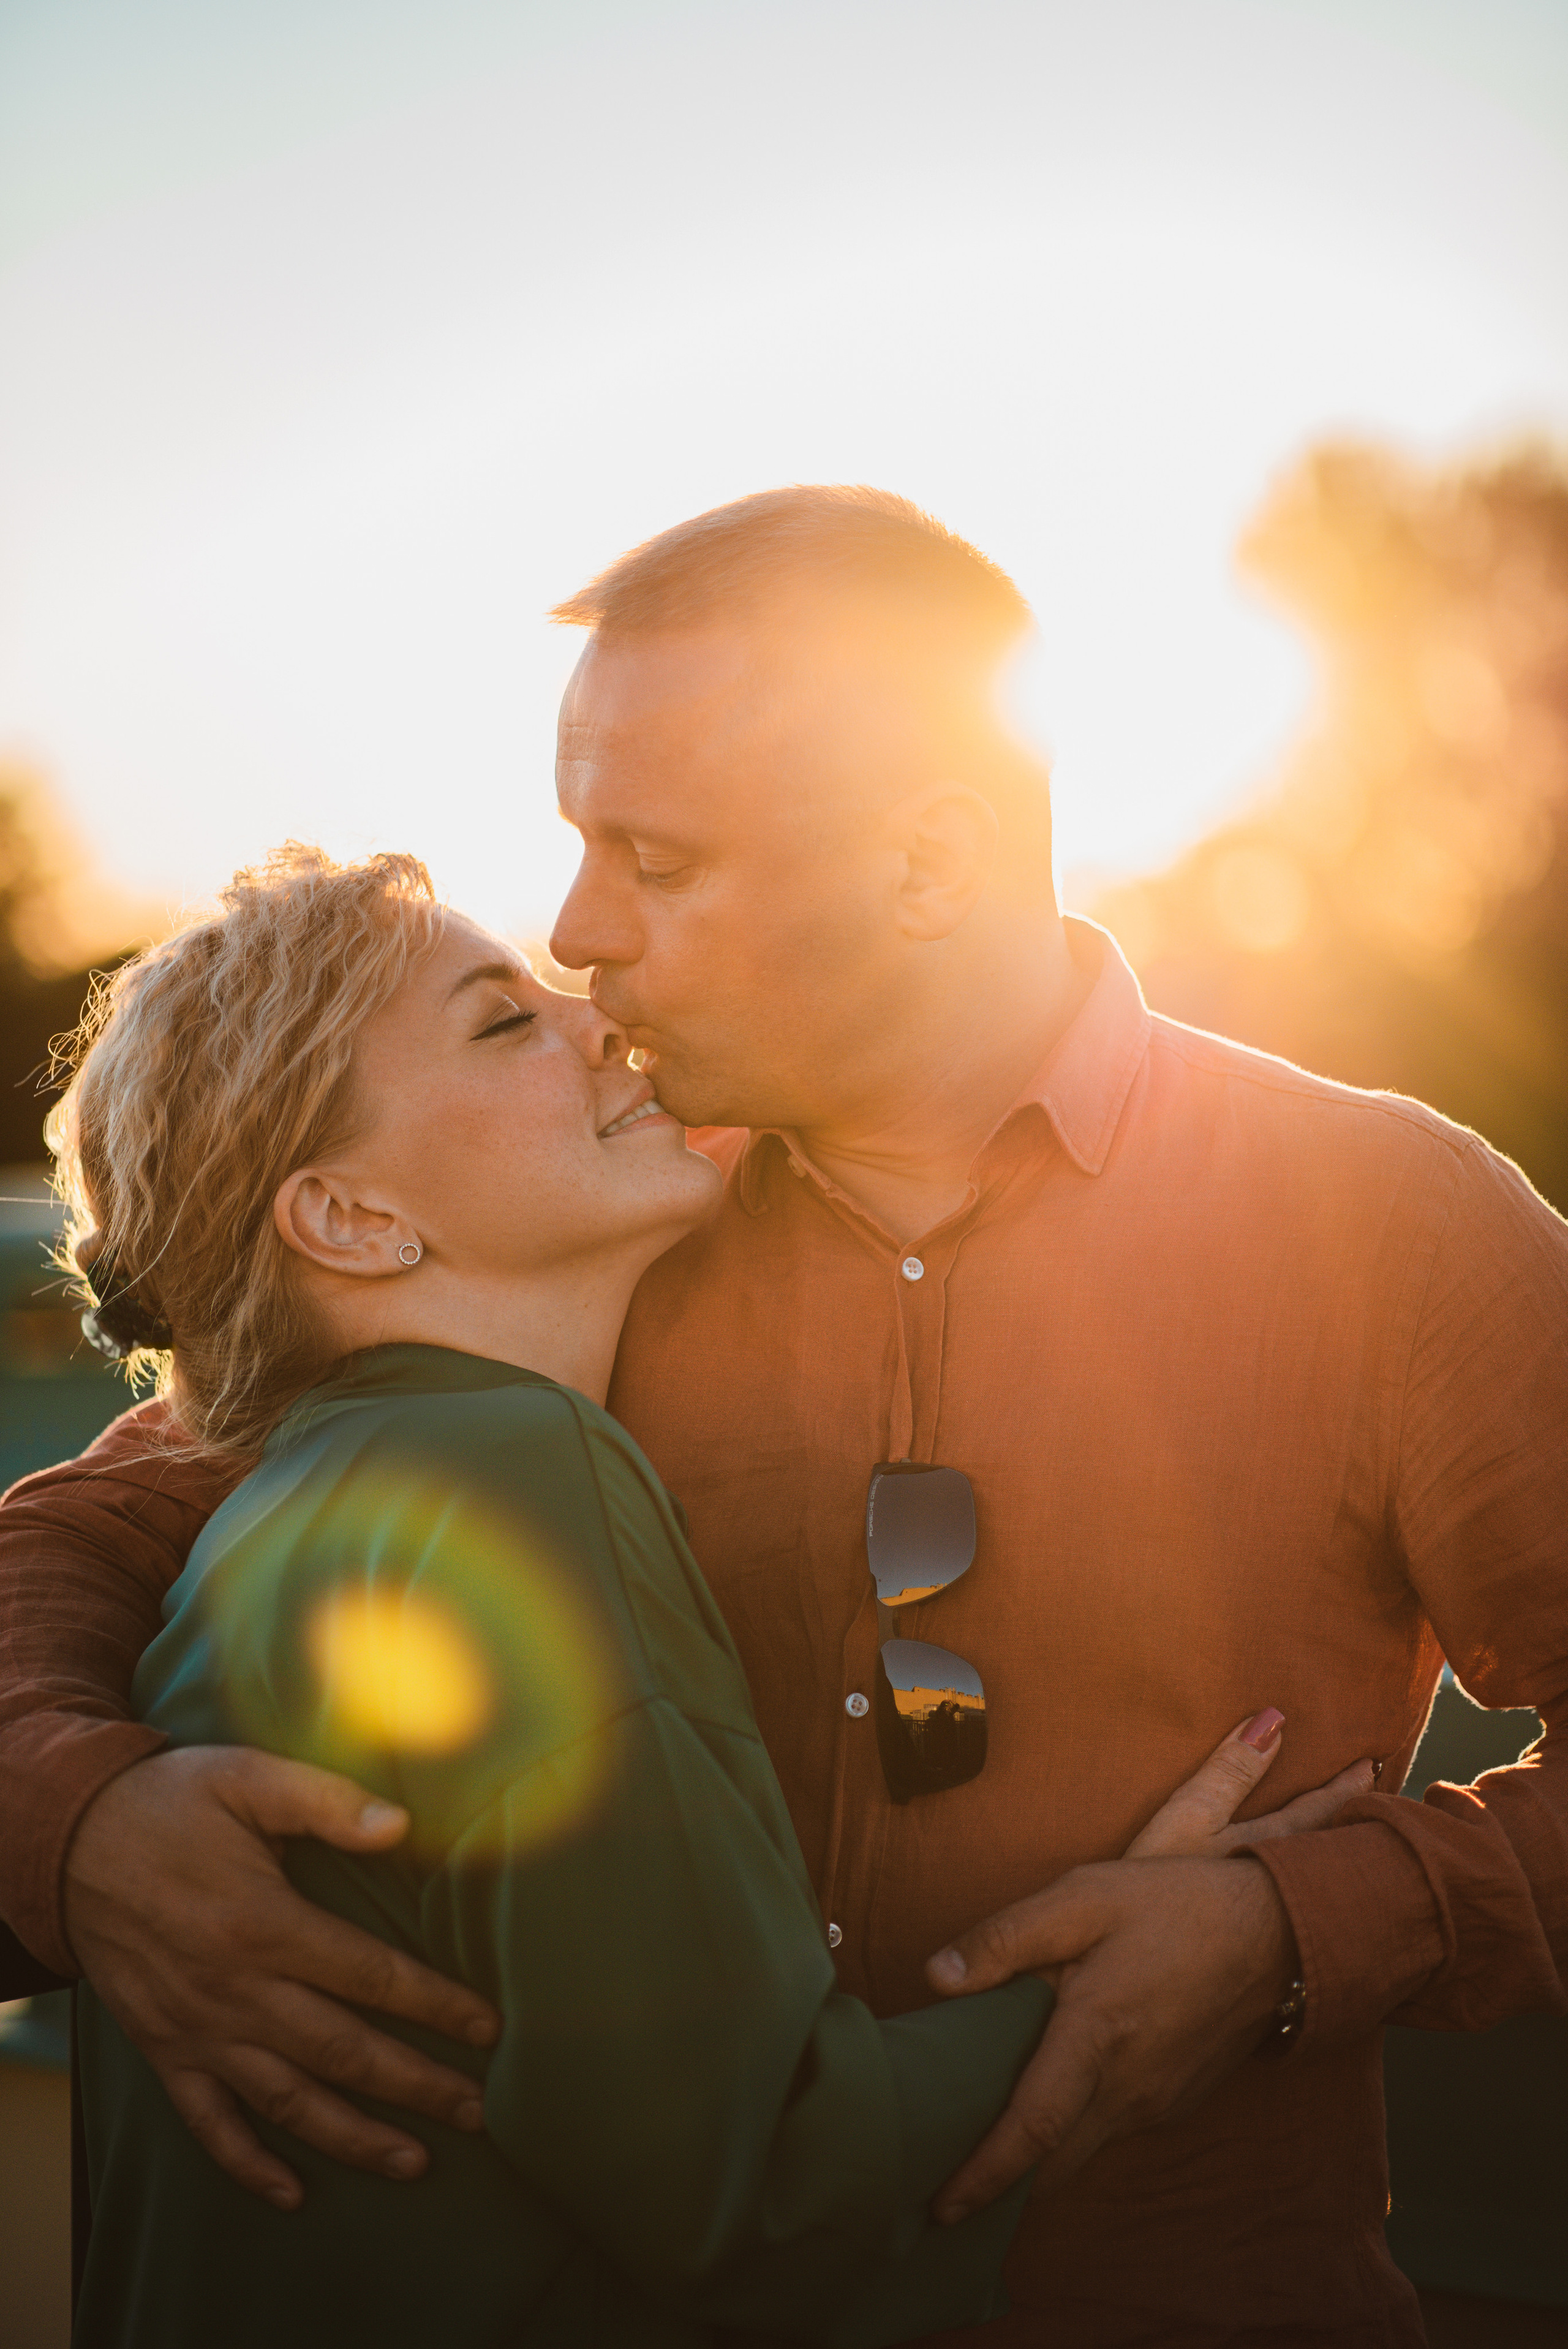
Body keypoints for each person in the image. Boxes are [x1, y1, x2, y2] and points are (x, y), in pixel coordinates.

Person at [2, 488, 1565, 2346]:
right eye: (579, 844)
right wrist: (80, 1824)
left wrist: (1304, 1929)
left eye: (655, 860)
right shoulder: (570, 1227)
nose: (581, 933)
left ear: (928, 863)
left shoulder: (1395, 1224)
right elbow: (88, 1528)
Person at [33, 841, 1333, 2348]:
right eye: (502, 1023)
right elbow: (767, 2198)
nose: (596, 1016)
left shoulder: (284, 1518)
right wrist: (1148, 1970)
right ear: (353, 1221)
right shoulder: (509, 1474)